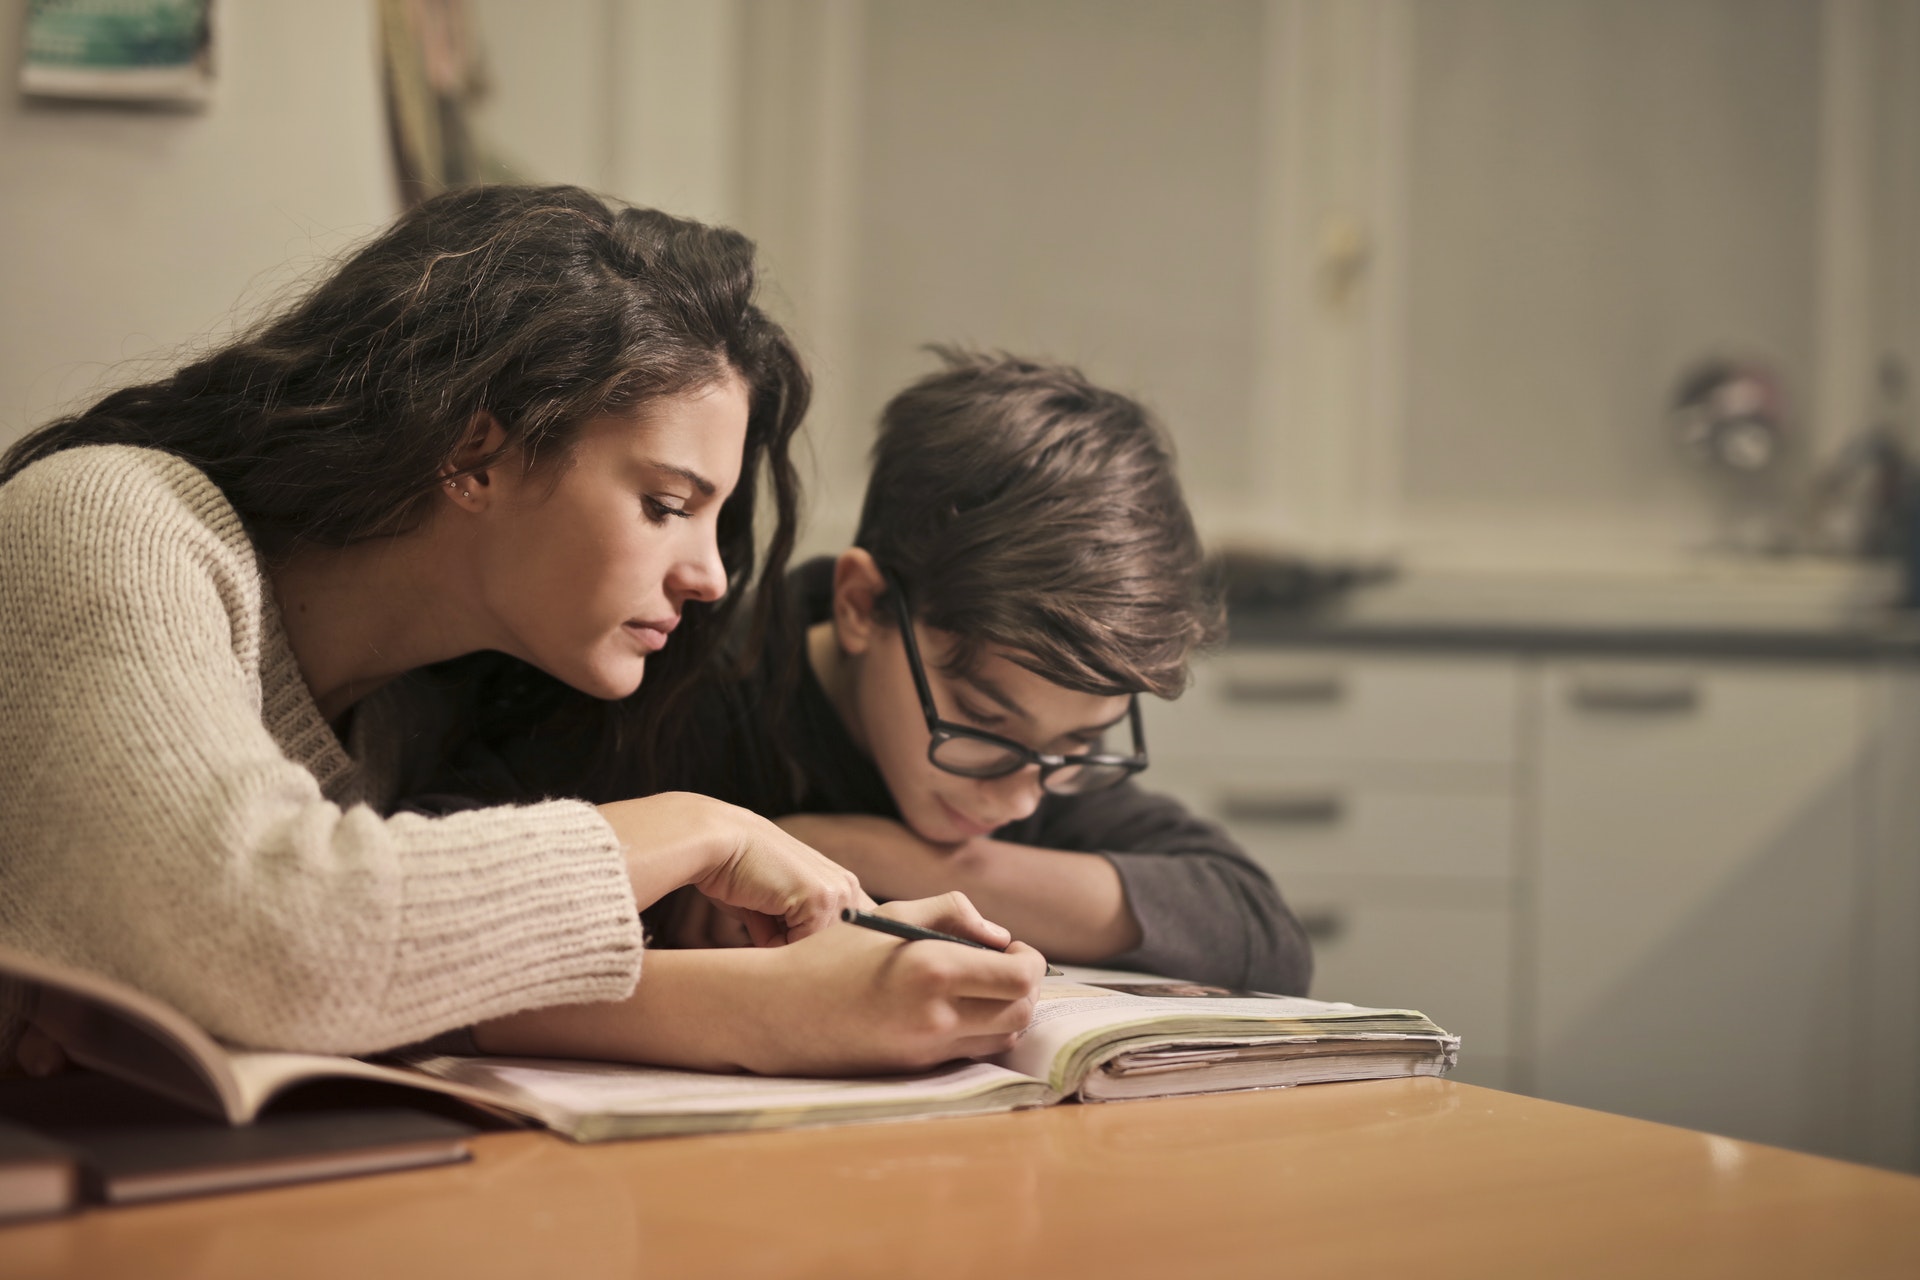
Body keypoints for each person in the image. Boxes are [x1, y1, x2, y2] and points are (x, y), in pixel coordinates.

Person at [0, 186, 1041, 1076]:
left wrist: (797, 984)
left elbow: (369, 977)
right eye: (668, 503)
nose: (712, 575)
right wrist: (698, 828)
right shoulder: (114, 520)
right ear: (476, 453)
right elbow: (283, 941)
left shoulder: (418, 708)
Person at [457, 350, 1312, 994]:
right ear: (863, 605)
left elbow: (1260, 935)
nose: (1020, 798)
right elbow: (442, 901)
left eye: (1082, 745)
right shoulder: (671, 689)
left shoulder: (1040, 762)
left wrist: (882, 856)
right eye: (982, 722)